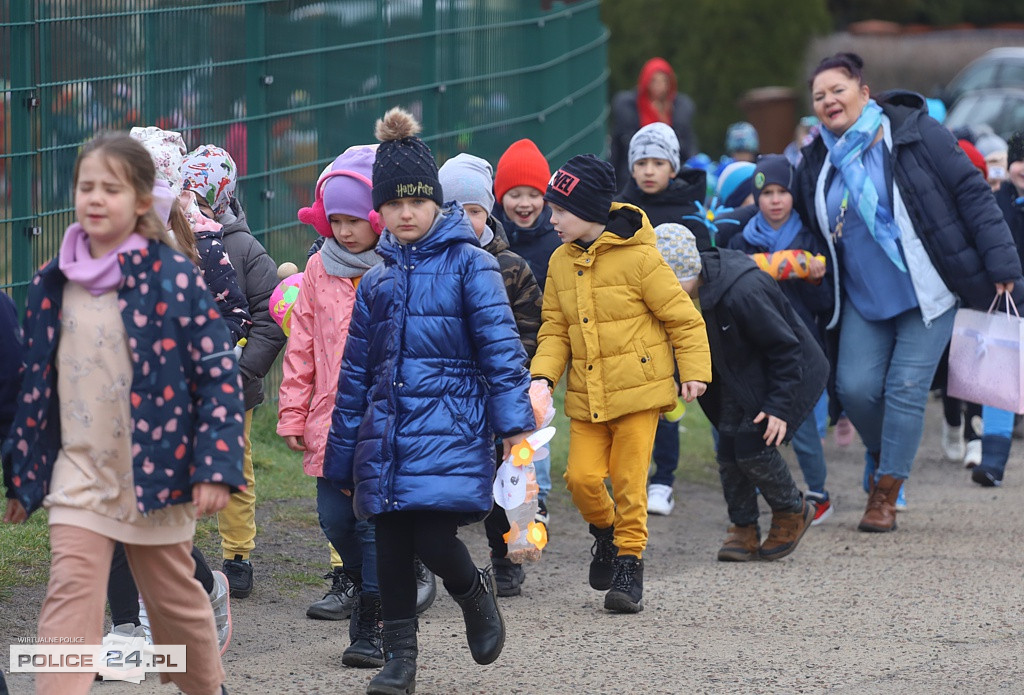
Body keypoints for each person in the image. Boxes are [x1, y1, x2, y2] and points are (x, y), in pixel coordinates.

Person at [1, 131, 245, 695]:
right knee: (68, 596)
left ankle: (208, 689)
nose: (94, 197)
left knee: (176, 608)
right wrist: (24, 475)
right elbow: (35, 388)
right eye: (86, 185)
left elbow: (214, 379)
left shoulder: (174, 278)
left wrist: (215, 466)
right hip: (80, 476)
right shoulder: (50, 284)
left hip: (158, 476)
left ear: (141, 201)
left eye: (110, 188)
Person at [324, 108, 536, 695]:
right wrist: (342, 456)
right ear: (381, 211)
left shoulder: (474, 265)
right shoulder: (378, 280)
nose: (406, 213)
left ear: (436, 204)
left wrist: (514, 428)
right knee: (390, 539)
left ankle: (474, 592)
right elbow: (355, 376)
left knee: (431, 537)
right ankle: (400, 660)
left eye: (417, 202)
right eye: (394, 204)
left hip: (450, 429)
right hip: (387, 434)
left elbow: (500, 349)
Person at [794, 52, 1023, 533]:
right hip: (863, 295)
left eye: (838, 89)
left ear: (863, 89)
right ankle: (886, 456)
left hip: (929, 289)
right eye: (819, 96)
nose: (829, 101)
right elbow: (809, 226)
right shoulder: (816, 159)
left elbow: (972, 193)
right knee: (853, 388)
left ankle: (885, 492)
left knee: (904, 388)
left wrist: (1002, 262)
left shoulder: (916, 132)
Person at [530, 154, 711, 613]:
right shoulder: (559, 262)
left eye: (559, 210)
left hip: (640, 393)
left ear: (589, 210)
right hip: (587, 396)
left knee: (631, 483)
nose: (551, 219)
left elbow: (684, 319)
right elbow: (553, 327)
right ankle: (607, 534)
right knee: (581, 478)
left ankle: (629, 563)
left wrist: (693, 372)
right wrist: (542, 378)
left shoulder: (641, 259)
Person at [278, 143, 386, 667]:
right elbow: (301, 346)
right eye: (334, 220)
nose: (343, 231)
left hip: (385, 420)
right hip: (328, 416)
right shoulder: (319, 267)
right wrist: (293, 411)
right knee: (333, 518)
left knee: (370, 524)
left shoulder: (395, 266)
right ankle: (388, 572)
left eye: (353, 220)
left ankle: (372, 620)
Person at [662, 224, 825, 560]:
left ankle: (793, 511)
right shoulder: (691, 295)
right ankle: (743, 527)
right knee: (728, 449)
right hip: (739, 374)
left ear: (689, 269)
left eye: (671, 286)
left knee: (754, 447)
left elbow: (785, 349)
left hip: (785, 374)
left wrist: (779, 406)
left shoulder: (742, 290)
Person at [182, 144, 289, 599]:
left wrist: (245, 369)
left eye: (202, 201)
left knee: (234, 467)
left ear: (221, 200)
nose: (193, 208)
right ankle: (177, 549)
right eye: (186, 197)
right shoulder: (172, 242)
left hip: (232, 384)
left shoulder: (243, 248)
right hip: (182, 384)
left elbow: (271, 315)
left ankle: (237, 554)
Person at [439, 152, 543, 597]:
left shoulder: (512, 267)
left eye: (476, 211)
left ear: (489, 214)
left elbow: (532, 328)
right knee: (445, 476)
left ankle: (506, 557)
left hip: (499, 387)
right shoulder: (430, 264)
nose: (466, 220)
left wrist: (515, 368)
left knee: (505, 476)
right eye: (455, 210)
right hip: (448, 392)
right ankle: (435, 559)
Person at [726, 155, 835, 524]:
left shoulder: (810, 238)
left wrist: (816, 278)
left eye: (782, 192)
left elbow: (827, 303)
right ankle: (765, 489)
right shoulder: (742, 243)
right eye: (767, 192)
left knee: (803, 425)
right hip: (757, 349)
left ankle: (819, 493)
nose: (775, 200)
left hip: (801, 344)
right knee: (760, 422)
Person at [611, 122, 711, 517]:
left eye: (658, 162)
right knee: (627, 404)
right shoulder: (618, 210)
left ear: (673, 166)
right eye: (642, 162)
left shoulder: (692, 211)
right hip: (627, 325)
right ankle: (626, 475)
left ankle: (662, 479)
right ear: (632, 167)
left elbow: (704, 266)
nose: (649, 170)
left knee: (667, 405)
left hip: (671, 326)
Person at [490, 137, 556, 523]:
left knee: (536, 423)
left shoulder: (556, 240)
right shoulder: (495, 242)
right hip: (499, 348)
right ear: (501, 198)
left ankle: (538, 496)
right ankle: (498, 491)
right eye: (515, 194)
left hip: (538, 351)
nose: (525, 203)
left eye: (534, 194)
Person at [972, 130, 1024, 487]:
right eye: (1020, 160)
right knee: (999, 380)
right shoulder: (997, 203)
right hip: (1010, 301)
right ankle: (992, 460)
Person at [609, 57, 698, 187]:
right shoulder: (629, 108)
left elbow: (686, 146)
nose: (659, 86)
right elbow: (621, 147)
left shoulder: (679, 110)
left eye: (664, 81)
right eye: (654, 81)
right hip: (631, 175)